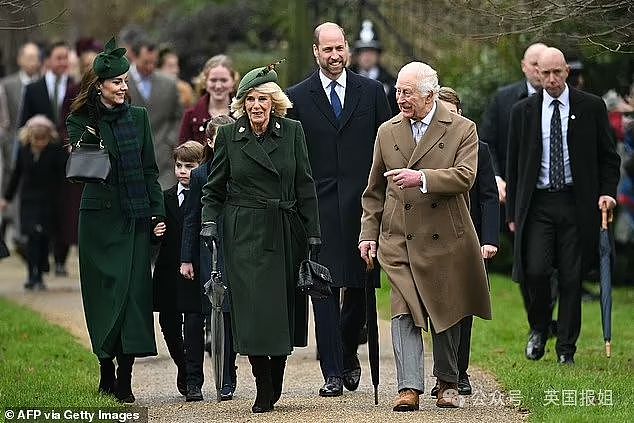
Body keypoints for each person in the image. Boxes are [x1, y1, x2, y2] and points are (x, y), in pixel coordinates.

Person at [359, 62, 492, 410]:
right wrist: (367, 235)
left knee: (446, 308)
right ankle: (409, 387)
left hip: (445, 235)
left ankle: (447, 380)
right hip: (399, 237)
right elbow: (373, 191)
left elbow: (466, 176)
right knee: (403, 309)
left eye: (408, 93)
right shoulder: (387, 131)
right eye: (398, 91)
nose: (400, 98)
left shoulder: (463, 128)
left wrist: (422, 179)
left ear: (430, 95)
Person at [200, 65, 320, 413]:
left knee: (281, 309)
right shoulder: (228, 136)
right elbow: (213, 188)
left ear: (274, 103)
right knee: (252, 312)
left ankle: (277, 373)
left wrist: (313, 232)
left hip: (284, 229)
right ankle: (262, 382)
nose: (255, 105)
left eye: (262, 99)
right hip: (245, 234)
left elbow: (305, 184)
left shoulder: (293, 132)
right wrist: (209, 222)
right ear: (242, 103)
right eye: (249, 99)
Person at [286, 21, 391, 398]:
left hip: (364, 206)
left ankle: (347, 351)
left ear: (348, 50)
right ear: (315, 52)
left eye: (340, 48)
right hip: (317, 208)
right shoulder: (296, 97)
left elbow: (388, 147)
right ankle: (331, 370)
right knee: (323, 288)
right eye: (327, 49)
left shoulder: (373, 92)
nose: (335, 55)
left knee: (361, 288)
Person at [506, 47, 620, 365]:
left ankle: (566, 349)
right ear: (536, 74)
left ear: (567, 71)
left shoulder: (591, 107)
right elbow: (514, 167)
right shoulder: (523, 111)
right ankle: (540, 328)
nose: (552, 79)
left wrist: (607, 192)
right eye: (545, 73)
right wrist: (513, 213)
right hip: (538, 204)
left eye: (558, 72)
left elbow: (609, 158)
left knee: (571, 277)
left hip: (576, 202)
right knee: (536, 271)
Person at [66, 37, 165, 402]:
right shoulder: (81, 118)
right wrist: (94, 124)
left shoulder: (138, 119)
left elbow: (150, 170)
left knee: (133, 296)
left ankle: (125, 375)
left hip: (134, 217)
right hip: (98, 220)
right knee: (103, 296)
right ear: (99, 85)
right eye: (117, 82)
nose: (124, 87)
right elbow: (88, 165)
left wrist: (158, 213)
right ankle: (105, 365)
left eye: (125, 81)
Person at [432, 86, 499, 396]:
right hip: (434, 238)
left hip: (469, 238)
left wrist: (489, 239)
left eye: (452, 113)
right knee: (441, 304)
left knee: (466, 305)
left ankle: (461, 371)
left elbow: (487, 196)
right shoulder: (426, 149)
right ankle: (444, 375)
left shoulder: (479, 148)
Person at [180, 114, 237, 400]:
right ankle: (207, 378)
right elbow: (191, 218)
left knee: (231, 314)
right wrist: (186, 258)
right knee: (207, 314)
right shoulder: (200, 174)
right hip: (207, 252)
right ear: (210, 141)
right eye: (219, 139)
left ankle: (229, 372)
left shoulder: (242, 168)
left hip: (237, 248)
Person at [153, 141, 206, 401]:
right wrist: (154, 232)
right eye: (179, 166)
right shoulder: (164, 198)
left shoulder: (207, 198)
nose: (183, 171)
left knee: (194, 324)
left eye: (190, 166)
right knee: (168, 323)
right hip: (168, 271)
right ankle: (184, 368)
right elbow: (152, 232)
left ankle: (194, 380)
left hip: (194, 270)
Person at [0, 115, 65, 290]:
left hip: (48, 202)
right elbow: (16, 175)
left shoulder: (55, 151)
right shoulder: (23, 150)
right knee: (31, 238)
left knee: (43, 238)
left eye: (43, 139)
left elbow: (62, 178)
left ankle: (40, 273)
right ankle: (31, 275)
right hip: (28, 201)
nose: (40, 143)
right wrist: (6, 198)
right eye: (36, 139)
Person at [127, 38, 183, 189]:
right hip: (130, 157)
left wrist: (171, 140)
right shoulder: (122, 83)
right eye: (146, 62)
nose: (150, 67)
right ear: (135, 57)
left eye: (154, 62)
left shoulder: (169, 84)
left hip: (163, 159)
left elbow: (178, 116)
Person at [178, 55, 237, 144]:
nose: (218, 86)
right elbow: (183, 154)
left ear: (233, 82)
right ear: (205, 82)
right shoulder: (190, 116)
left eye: (224, 80)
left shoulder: (243, 114)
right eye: (213, 80)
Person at [349, 19, 398, 115]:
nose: (367, 56)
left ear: (378, 54)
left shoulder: (391, 83)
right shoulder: (346, 79)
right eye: (363, 51)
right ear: (357, 55)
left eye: (371, 51)